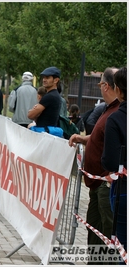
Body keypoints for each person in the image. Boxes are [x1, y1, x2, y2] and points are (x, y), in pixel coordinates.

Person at [68, 67, 120, 265]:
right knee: (94, 228)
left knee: (108, 230)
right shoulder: (109, 109)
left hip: (107, 184)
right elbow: (99, 136)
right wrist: (83, 139)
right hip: (97, 183)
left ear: (105, 86)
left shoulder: (119, 111)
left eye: (100, 84)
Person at [101, 67, 127, 257]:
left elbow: (110, 161)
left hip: (123, 191)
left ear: (117, 90)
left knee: (123, 246)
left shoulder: (116, 118)